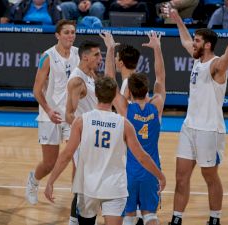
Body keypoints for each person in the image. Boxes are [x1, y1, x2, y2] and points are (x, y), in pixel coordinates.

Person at [44, 76, 166, 225]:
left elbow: (66, 155)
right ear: (114, 95)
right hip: (114, 187)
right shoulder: (124, 124)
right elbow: (141, 156)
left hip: (88, 186)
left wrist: (51, 181)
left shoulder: (81, 121)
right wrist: (160, 176)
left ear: (95, 94)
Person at [164, 7, 228, 225]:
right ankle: (176, 219)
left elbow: (226, 60)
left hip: (210, 130)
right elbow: (185, 40)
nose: (193, 44)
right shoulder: (198, 60)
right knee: (181, 177)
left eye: (197, 41)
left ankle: (215, 219)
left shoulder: (215, 66)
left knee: (210, 176)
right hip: (189, 127)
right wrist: (178, 19)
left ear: (207, 45)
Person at [101, 31, 166, 225]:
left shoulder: (125, 109)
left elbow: (109, 80)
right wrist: (157, 49)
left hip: (128, 168)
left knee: (128, 216)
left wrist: (110, 49)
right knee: (150, 215)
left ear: (128, 91)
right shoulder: (157, 104)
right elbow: (160, 78)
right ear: (147, 89)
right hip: (151, 167)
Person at [25, 19, 79, 206]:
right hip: (51, 115)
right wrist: (48, 110)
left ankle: (77, 200)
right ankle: (33, 181)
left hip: (72, 115)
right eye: (66, 32)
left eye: (73, 32)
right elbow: (36, 90)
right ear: (57, 35)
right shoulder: (47, 57)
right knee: (49, 163)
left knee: (77, 158)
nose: (70, 35)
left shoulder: (79, 54)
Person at [65, 39, 102, 225]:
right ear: (85, 57)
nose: (99, 58)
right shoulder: (77, 80)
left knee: (90, 182)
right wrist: (85, 129)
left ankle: (82, 218)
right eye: (97, 55)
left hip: (95, 137)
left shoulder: (91, 74)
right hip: (83, 138)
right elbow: (69, 115)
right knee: (85, 184)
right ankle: (74, 220)